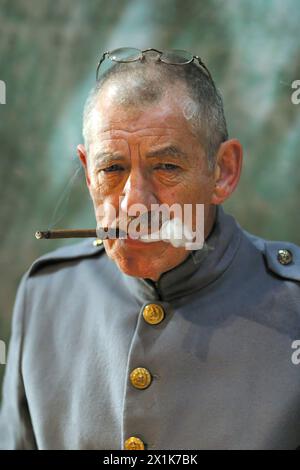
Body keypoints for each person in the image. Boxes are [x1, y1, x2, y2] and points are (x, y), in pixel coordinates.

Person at [0, 48, 300, 450]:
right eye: (112, 169)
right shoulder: (46, 295)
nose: (134, 203)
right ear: (88, 172)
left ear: (223, 171)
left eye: (166, 167)